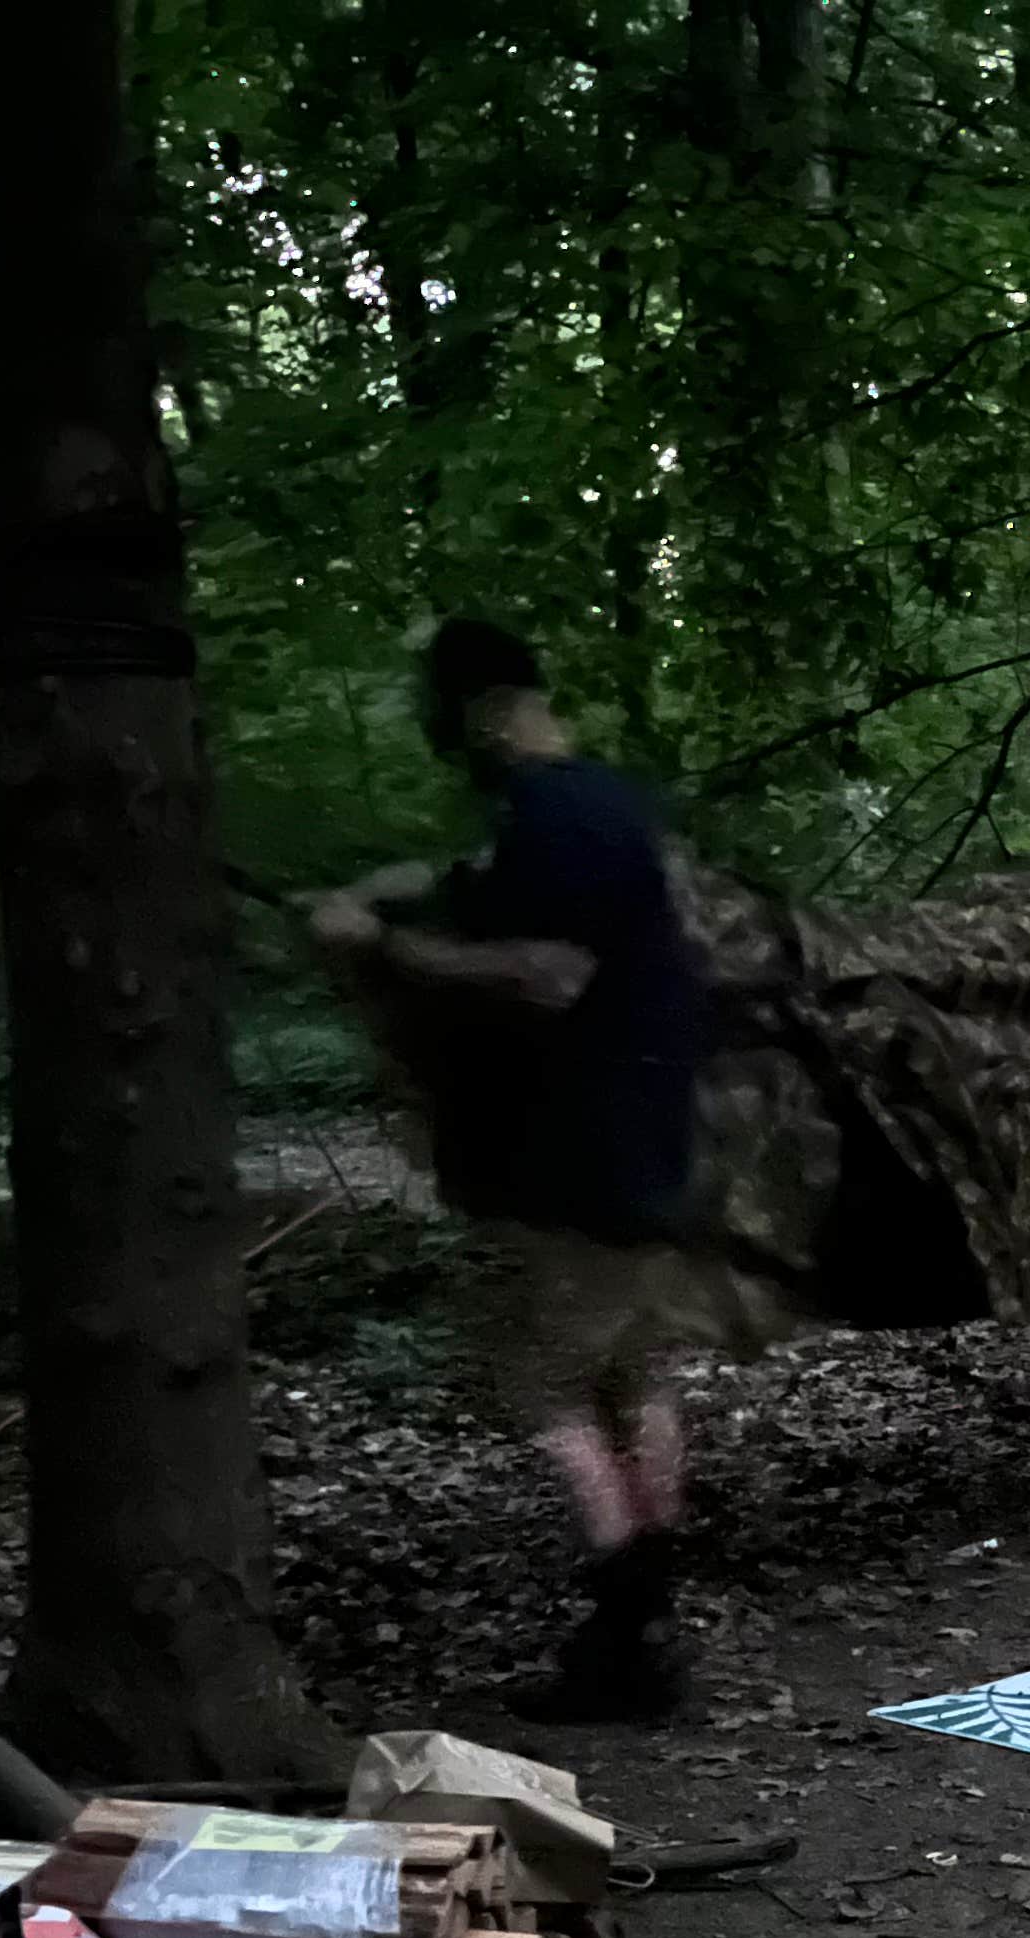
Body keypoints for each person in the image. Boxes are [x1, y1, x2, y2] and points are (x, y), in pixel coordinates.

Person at [313, 620, 711, 1720]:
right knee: (636, 1375)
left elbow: (546, 973)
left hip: (582, 1162)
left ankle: (632, 1629)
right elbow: (506, 891)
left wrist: (375, 943)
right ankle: (643, 1616)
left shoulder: (552, 816)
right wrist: (413, 888)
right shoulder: (607, 805)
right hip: (653, 1149)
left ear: (484, 712)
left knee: (544, 1380)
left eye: (454, 724)